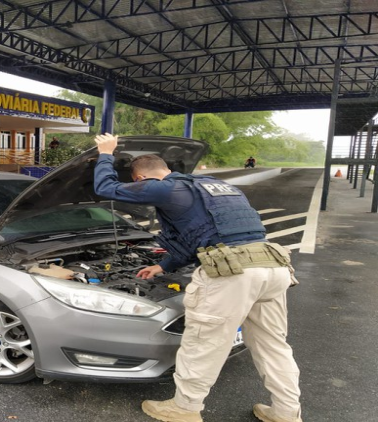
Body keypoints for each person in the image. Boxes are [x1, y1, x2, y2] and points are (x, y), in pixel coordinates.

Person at [92, 133, 302, 422]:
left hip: (234, 273)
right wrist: (163, 266)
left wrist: (105, 153)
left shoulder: (163, 188)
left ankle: (185, 409)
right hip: (272, 266)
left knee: (203, 343)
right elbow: (201, 234)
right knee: (273, 345)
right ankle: (286, 413)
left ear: (141, 178)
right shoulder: (216, 186)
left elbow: (105, 187)